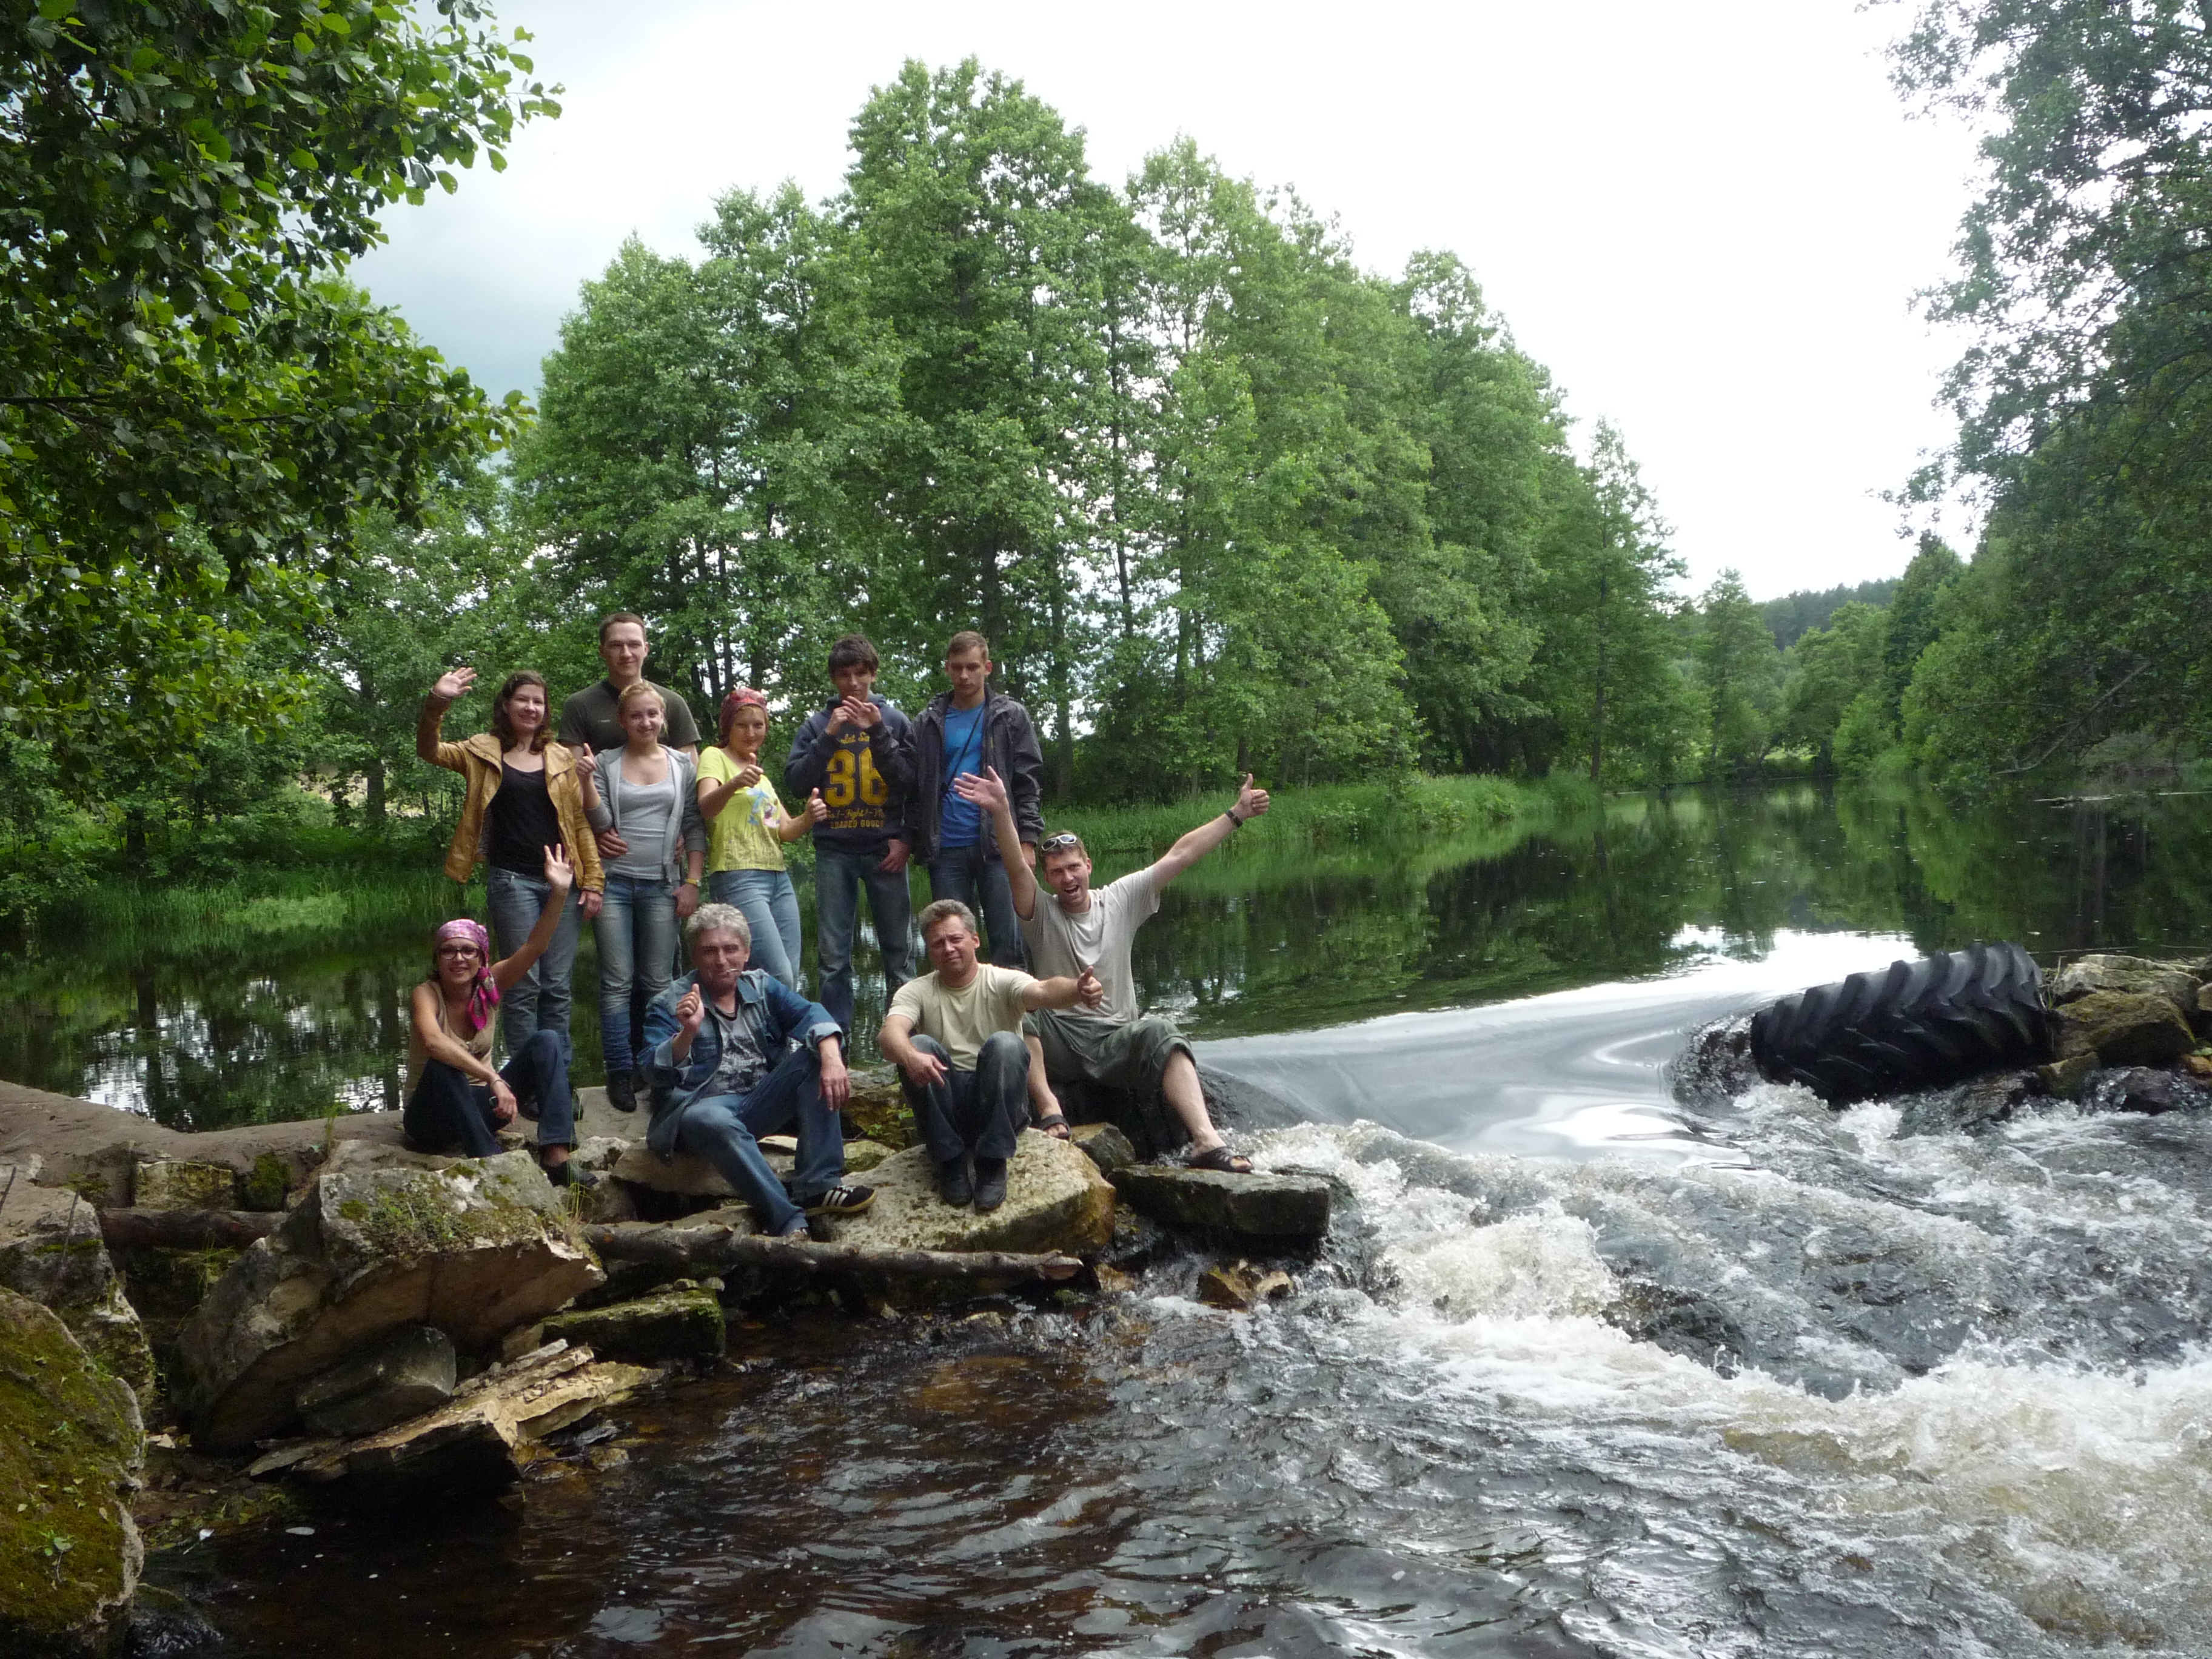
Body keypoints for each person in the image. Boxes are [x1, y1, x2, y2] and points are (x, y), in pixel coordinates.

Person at [956, 766, 1267, 1171]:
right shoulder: (1040, 912)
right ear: (1047, 879)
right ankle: (1051, 1110)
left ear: (1088, 865)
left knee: (1163, 1033)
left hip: (1116, 1037)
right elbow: (1016, 866)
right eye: (1056, 872)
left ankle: (1207, 1141)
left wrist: (1236, 814)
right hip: (1059, 1041)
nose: (1067, 878)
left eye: (1072, 867)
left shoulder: (1122, 898)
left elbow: (1182, 854)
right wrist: (1000, 808)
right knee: (1018, 1009)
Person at [643, 904, 874, 1237]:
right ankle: (787, 1220)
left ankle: (818, 1185)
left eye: (731, 949)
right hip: (701, 1115)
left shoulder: (762, 986)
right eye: (710, 951)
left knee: (817, 1055)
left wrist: (832, 1056)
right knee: (709, 1118)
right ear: (695, 956)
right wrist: (687, 1033)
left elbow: (811, 1014)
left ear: (747, 953)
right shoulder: (670, 1003)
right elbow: (653, 1071)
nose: (722, 960)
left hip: (757, 1102)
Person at [418, 666, 604, 1056]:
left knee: (557, 986)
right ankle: (523, 1077)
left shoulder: (560, 758)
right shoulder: (481, 750)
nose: (532, 708)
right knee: (522, 985)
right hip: (512, 882)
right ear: (506, 705)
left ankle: (556, 1077)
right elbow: (430, 751)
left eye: (539, 702)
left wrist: (594, 881)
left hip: (562, 885)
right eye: (523, 700)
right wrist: (438, 702)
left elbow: (578, 824)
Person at [878, 899, 1104, 1212]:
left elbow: (1043, 991)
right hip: (950, 1101)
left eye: (956, 939)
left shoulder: (1001, 980)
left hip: (1000, 1103)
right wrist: (909, 1054)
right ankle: (950, 1161)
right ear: (930, 952)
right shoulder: (916, 990)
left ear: (974, 940)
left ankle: (992, 1160)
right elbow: (890, 1034)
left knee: (1007, 1044)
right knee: (917, 1046)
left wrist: (1077, 990)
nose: (948, 949)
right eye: (938, 943)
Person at [405, 845, 581, 1184]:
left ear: (482, 959)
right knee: (445, 1066)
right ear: (437, 960)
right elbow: (433, 1042)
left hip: (483, 1108)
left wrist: (559, 893)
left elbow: (534, 947)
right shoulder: (426, 994)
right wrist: (494, 1079)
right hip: (429, 1119)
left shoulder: (491, 984)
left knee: (546, 1040)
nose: (458, 958)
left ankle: (558, 1155)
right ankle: (492, 1162)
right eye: (448, 951)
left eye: (468, 950)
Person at [577, 683, 706, 1114]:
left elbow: (694, 823)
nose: (646, 722)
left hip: (662, 884)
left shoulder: (681, 765)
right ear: (622, 721)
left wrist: (692, 881)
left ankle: (654, 1066)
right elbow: (600, 821)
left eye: (653, 715)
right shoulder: (607, 763)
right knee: (617, 983)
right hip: (613, 883)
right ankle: (619, 1070)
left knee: (657, 984)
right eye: (637, 716)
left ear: (663, 719)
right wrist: (585, 780)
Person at [783, 634, 919, 1033]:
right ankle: (834, 1042)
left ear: (873, 674)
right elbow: (795, 782)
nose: (854, 683)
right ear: (834, 679)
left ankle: (904, 1039)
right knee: (833, 957)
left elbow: (913, 783)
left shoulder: (894, 721)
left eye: (861, 674)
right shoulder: (816, 724)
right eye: (845, 675)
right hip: (834, 850)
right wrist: (829, 736)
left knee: (899, 951)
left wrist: (906, 837)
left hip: (886, 848)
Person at [907, 631, 1044, 968]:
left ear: (988, 667)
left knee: (1008, 942)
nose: (964, 676)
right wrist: (910, 839)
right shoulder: (927, 721)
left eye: (972, 667)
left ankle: (1017, 1019)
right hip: (946, 847)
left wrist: (1027, 841)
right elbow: (912, 787)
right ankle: (961, 1018)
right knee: (951, 945)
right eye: (957, 668)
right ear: (947, 669)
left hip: (1000, 845)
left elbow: (1028, 783)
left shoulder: (1010, 716)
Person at [699, 687, 825, 991]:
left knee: (790, 975)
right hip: (738, 875)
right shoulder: (714, 757)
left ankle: (772, 1039)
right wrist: (734, 784)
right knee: (777, 973)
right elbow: (706, 806)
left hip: (778, 878)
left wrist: (809, 816)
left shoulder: (763, 779)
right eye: (742, 725)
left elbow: (784, 831)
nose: (751, 732)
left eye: (759, 725)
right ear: (728, 726)